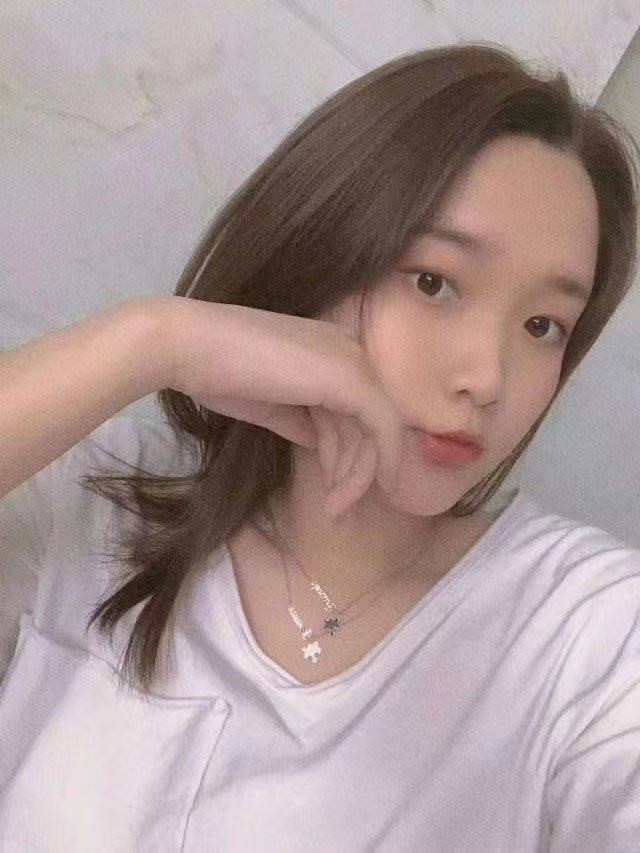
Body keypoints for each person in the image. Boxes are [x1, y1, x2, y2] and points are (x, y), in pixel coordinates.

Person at [1, 41, 639, 851]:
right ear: (319, 255)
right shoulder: (101, 495)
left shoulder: (586, 632)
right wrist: (154, 340)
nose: (487, 377)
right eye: (433, 282)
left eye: (543, 325)